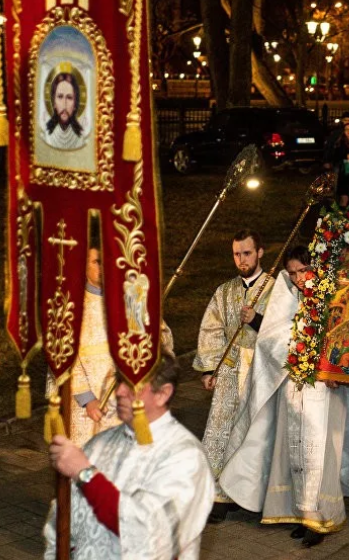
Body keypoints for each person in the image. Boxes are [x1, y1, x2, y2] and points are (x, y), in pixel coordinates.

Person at [45, 354, 214, 559]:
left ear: (162, 394)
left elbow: (148, 533)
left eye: (132, 385)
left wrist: (86, 474)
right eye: (119, 381)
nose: (120, 392)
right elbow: (62, 523)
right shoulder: (98, 444)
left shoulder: (186, 456)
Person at [216, 248, 305, 518]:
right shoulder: (285, 291)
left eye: (303, 270)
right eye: (293, 273)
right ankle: (250, 493)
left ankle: (298, 505)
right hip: (276, 373)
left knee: (297, 445)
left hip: (307, 381)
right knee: (263, 434)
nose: (298, 278)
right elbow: (274, 330)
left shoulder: (319, 293)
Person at [193, 229, 274, 522]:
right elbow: (211, 329)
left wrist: (256, 321)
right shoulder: (224, 291)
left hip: (261, 371)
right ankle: (217, 495)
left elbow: (283, 333)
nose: (241, 259)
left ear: (260, 252)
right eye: (237, 254)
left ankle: (253, 495)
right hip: (228, 370)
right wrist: (208, 368)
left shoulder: (275, 289)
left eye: (247, 253)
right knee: (219, 431)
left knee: (254, 433)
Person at [56, 246, 121, 447]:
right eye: (96, 262)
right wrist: (87, 398)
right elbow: (66, 357)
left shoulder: (128, 299)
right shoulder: (71, 306)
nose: (102, 267)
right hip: (90, 400)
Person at [45, 72, 87, 150]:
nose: (64, 104)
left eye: (69, 97)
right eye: (60, 97)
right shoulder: (46, 135)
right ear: (54, 102)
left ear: (75, 104)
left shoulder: (81, 139)